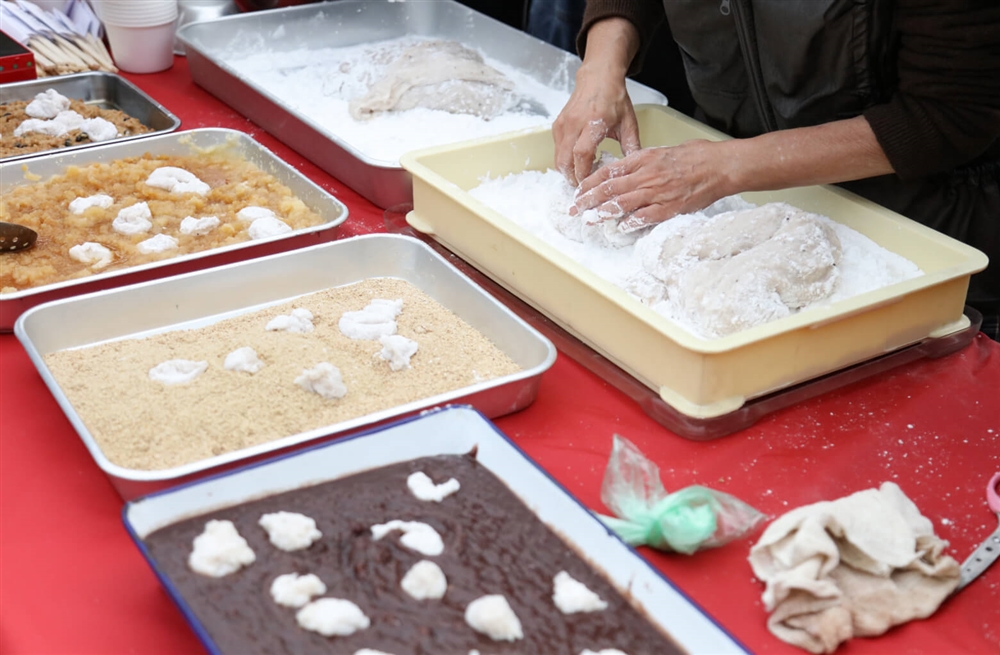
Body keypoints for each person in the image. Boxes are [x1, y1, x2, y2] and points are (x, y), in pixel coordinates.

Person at [553, 1, 1000, 340]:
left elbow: (949, 113)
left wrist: (723, 166)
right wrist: (600, 68)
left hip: (924, 233)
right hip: (728, 186)